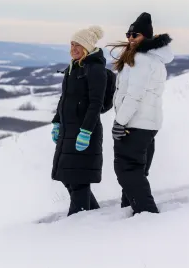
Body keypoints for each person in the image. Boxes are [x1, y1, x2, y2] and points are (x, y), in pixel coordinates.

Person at [109, 12, 174, 215]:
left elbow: (134, 95)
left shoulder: (142, 60)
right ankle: (128, 210)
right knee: (136, 169)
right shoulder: (152, 59)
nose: (129, 38)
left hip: (136, 123)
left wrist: (120, 122)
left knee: (126, 168)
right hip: (147, 123)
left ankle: (146, 214)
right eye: (128, 34)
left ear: (145, 36)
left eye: (134, 34)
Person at [51, 26, 107, 216]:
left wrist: (86, 132)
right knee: (69, 178)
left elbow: (96, 103)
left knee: (78, 180)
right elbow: (64, 98)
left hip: (83, 132)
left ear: (88, 47)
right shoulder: (73, 68)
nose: (74, 48)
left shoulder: (95, 69)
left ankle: (77, 224)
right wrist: (57, 121)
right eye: (72, 44)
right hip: (69, 130)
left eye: (78, 45)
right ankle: (93, 214)